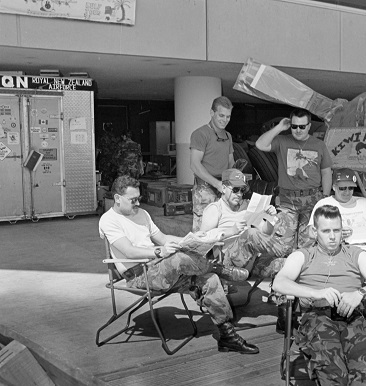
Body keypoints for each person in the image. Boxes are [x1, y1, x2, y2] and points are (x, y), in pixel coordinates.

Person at [99, 175, 259, 354]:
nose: (137, 204)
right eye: (132, 200)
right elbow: (128, 251)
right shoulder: (108, 220)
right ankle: (220, 268)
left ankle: (227, 335)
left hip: (160, 267)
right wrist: (159, 251)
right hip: (139, 275)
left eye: (139, 199)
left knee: (209, 279)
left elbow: (163, 238)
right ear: (117, 198)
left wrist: (189, 240)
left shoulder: (142, 214)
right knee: (179, 259)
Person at [273, 205, 366, 385]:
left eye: (337, 230)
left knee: (365, 368)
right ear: (314, 231)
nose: (333, 236)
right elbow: (279, 283)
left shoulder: (356, 254)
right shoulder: (303, 255)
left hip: (352, 315)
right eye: (326, 231)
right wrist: (316, 292)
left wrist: (359, 294)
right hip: (316, 317)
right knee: (332, 370)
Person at [306, 168, 366, 337]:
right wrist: (336, 232)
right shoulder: (325, 204)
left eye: (350, 188)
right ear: (334, 187)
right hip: (342, 250)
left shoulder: (363, 203)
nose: (347, 192)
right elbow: (311, 232)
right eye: (342, 188)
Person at [255, 108, 333, 249]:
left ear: (309, 126)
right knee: (283, 245)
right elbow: (260, 145)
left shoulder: (319, 145)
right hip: (287, 202)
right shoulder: (282, 141)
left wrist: (325, 197)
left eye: (302, 126)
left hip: (312, 200)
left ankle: (304, 269)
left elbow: (326, 172)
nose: (298, 130)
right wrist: (279, 127)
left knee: (308, 244)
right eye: (294, 126)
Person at [200, 168, 292, 279]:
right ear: (224, 188)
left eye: (242, 190)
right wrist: (232, 231)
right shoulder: (215, 209)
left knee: (288, 264)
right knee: (250, 233)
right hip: (227, 262)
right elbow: (202, 240)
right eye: (235, 189)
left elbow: (264, 232)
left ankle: (296, 257)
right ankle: (288, 251)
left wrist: (270, 218)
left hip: (252, 260)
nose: (239, 194)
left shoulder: (247, 206)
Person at [190, 96, 235, 232]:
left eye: (228, 116)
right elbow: (194, 165)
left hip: (223, 188)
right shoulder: (200, 134)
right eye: (221, 115)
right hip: (205, 189)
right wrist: (217, 184)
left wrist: (235, 182)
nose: (225, 120)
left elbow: (231, 163)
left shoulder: (228, 136)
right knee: (203, 233)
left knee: (222, 230)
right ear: (212, 113)